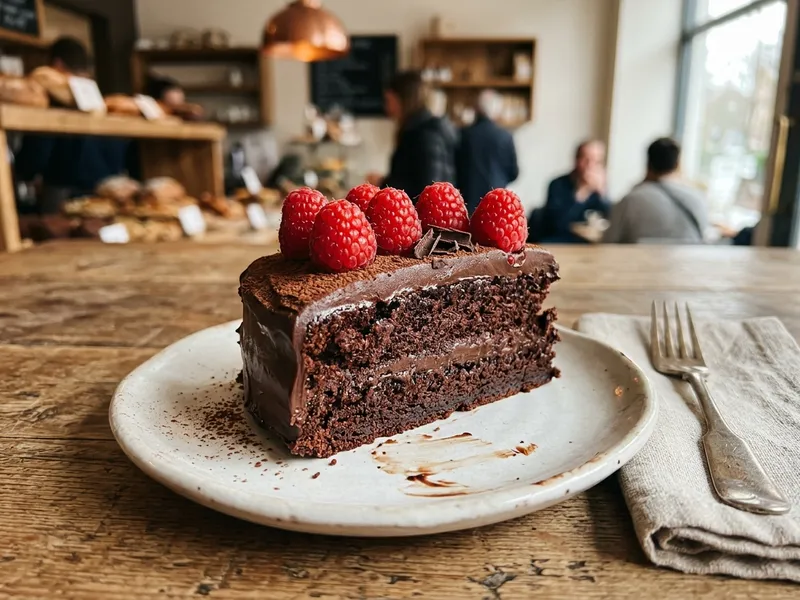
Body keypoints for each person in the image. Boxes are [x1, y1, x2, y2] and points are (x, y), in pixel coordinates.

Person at [14, 37, 129, 212]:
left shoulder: (58, 101)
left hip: (65, 194)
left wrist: (23, 172)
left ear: (57, 63)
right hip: (110, 193)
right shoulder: (100, 100)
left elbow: (37, 152)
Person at [367, 71, 457, 200]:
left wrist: (383, 183)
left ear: (401, 99)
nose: (386, 107)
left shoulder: (424, 134)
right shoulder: (420, 129)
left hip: (422, 218)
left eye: (388, 99)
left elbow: (428, 188)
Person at [603, 138, 708, 244]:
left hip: (639, 259)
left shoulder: (631, 200)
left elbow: (609, 241)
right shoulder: (698, 198)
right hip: (688, 260)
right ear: (678, 165)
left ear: (648, 163)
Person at [532, 140, 610, 243]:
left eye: (597, 162)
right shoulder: (557, 185)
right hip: (557, 242)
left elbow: (612, 220)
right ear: (576, 160)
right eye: (586, 159)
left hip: (586, 245)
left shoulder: (597, 189)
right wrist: (583, 192)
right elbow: (559, 225)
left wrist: (602, 193)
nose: (590, 166)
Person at [456, 89, 519, 213]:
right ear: (496, 111)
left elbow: (455, 168)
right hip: (497, 202)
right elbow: (514, 172)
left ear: (477, 109)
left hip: (467, 201)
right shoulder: (505, 136)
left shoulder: (463, 135)